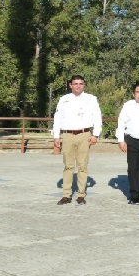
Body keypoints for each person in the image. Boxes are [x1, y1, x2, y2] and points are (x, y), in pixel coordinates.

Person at [52, 75, 102, 205]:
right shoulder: (64, 99)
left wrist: (95, 134)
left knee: (82, 165)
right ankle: (66, 195)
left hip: (84, 134)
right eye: (75, 84)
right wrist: (56, 136)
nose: (78, 86)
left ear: (84, 85)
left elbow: (97, 117)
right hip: (67, 134)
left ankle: (81, 194)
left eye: (81, 83)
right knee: (68, 166)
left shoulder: (91, 99)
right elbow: (57, 118)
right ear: (70, 85)